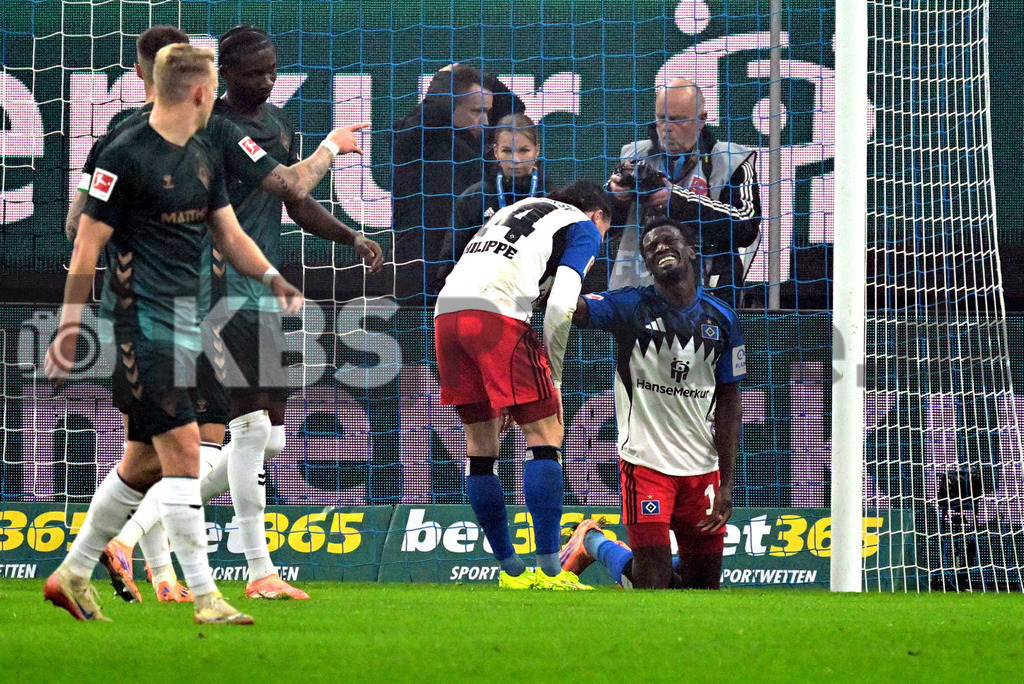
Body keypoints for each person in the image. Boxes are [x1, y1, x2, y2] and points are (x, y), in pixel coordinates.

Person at [65, 25, 372, 605]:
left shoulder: (224, 134)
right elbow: (290, 184)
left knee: (171, 449)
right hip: (200, 306)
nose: (267, 79)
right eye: (252, 71)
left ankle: (148, 563)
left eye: (271, 69)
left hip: (224, 299)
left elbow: (274, 204)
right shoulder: (160, 139)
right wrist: (330, 149)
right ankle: (227, 574)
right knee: (223, 439)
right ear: (208, 81)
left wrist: (336, 239)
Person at [43, 44, 302, 624]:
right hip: (141, 325)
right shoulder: (124, 154)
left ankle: (72, 573)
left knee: (146, 463)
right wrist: (69, 327)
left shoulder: (207, 152)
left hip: (193, 325)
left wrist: (271, 276)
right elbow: (85, 247)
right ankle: (207, 599)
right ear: (202, 92)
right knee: (186, 453)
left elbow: (229, 234)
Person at [434, 180, 612, 590]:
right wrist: (555, 376)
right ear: (597, 215)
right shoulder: (582, 225)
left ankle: (511, 570)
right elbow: (564, 300)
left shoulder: (516, 210)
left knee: (480, 443)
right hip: (499, 315)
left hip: (446, 314)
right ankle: (552, 571)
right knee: (545, 433)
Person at [560, 216, 744, 589]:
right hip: (645, 463)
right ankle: (596, 544)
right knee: (653, 587)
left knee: (702, 590)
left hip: (702, 470)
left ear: (691, 250)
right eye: (650, 247)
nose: (660, 248)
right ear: (646, 264)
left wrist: (726, 482)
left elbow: (730, 403)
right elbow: (576, 309)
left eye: (668, 240)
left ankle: (592, 542)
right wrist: (561, 272)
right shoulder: (631, 307)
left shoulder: (724, 319)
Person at [607, 78, 761, 308]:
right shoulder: (634, 156)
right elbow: (603, 224)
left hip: (709, 292)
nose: (666, 128)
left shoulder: (733, 160)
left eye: (677, 120)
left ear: (702, 120)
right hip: (638, 292)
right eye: (661, 118)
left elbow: (746, 226)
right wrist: (616, 197)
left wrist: (677, 200)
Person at [390, 65, 494, 305]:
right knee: (418, 341)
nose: (485, 121)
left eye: (487, 111)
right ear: (449, 107)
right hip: (421, 272)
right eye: (477, 111)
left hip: (470, 271)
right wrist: (444, 78)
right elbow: (426, 119)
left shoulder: (485, 153)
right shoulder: (416, 141)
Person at [433, 113, 548, 291]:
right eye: (507, 151)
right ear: (496, 152)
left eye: (524, 150)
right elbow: (450, 258)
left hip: (534, 297)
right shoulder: (475, 196)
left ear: (536, 150)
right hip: (480, 297)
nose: (514, 160)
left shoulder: (551, 197)